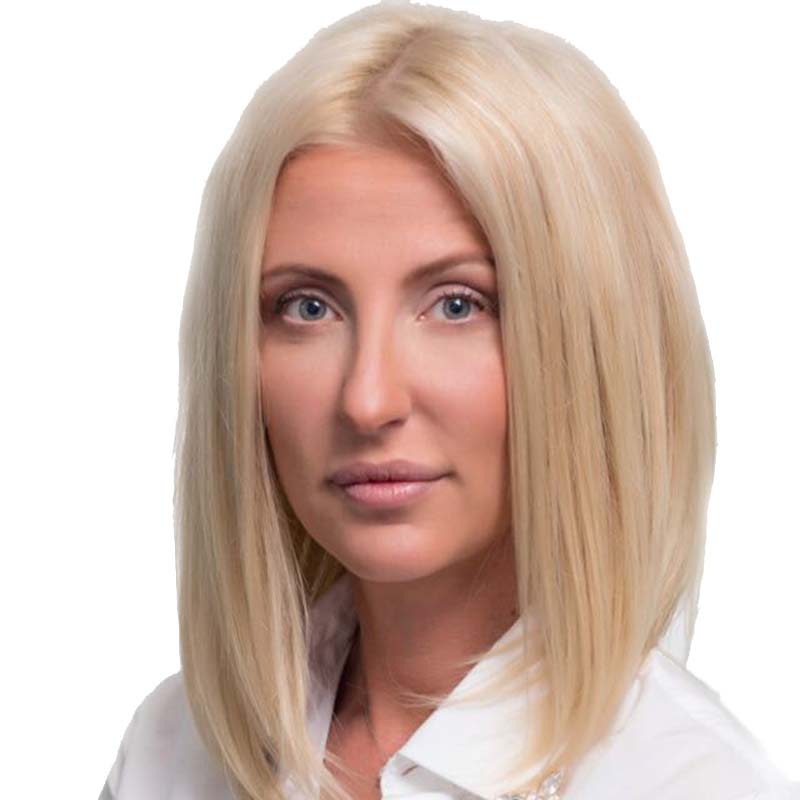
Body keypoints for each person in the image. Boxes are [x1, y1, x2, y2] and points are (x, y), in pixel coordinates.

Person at [99, 2, 799, 799]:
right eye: (308, 307)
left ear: (591, 348)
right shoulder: (171, 751)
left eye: (458, 304)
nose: (368, 400)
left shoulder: (693, 784)